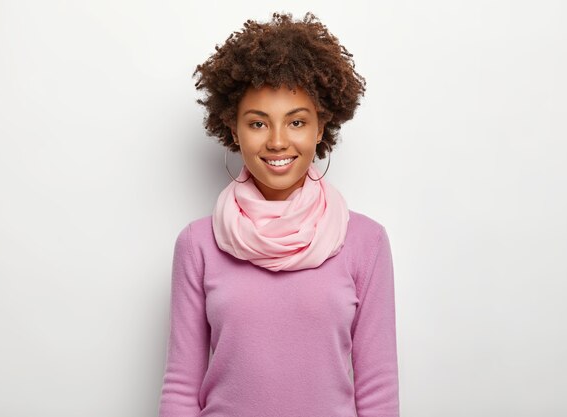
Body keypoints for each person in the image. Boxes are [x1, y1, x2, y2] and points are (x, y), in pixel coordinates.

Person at [158, 11, 399, 417]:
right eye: (257, 123)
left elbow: (377, 390)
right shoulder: (198, 244)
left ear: (321, 128)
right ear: (233, 129)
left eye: (297, 122)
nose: (277, 141)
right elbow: (182, 386)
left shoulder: (365, 242)